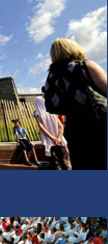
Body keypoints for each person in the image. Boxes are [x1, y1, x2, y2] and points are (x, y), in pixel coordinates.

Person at [43, 38, 107, 170]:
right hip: (98, 122)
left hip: (75, 128)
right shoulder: (85, 66)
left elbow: (53, 107)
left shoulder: (50, 78)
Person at [34, 96, 71, 170]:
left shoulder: (37, 113)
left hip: (49, 140)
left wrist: (53, 138)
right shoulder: (52, 112)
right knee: (63, 160)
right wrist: (59, 137)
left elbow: (41, 127)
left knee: (55, 162)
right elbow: (61, 127)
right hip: (59, 140)